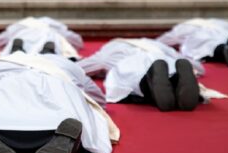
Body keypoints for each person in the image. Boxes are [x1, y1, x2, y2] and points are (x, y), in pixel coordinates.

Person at [78, 38, 207, 112]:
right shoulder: (155, 44)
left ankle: (151, 83)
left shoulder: (112, 47)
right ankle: (176, 80)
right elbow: (198, 68)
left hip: (130, 63)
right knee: (171, 71)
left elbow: (86, 67)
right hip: (163, 58)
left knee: (134, 81)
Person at [157, 18, 228, 67]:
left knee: (206, 49)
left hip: (202, 38)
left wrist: (152, 43)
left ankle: (221, 49)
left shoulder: (185, 26)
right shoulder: (217, 22)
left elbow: (167, 39)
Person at [0, 17, 83, 60]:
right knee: (55, 43)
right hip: (48, 34)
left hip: (23, 34)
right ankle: (49, 54)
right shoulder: (51, 23)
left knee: (21, 41)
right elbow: (75, 39)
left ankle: (17, 53)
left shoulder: (22, 23)